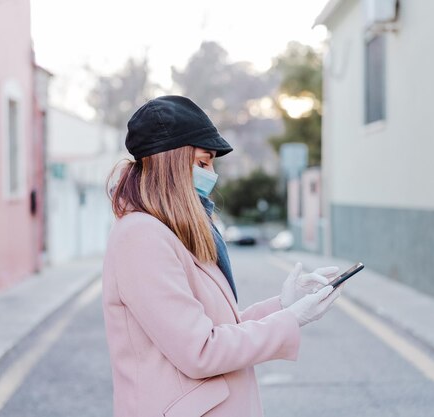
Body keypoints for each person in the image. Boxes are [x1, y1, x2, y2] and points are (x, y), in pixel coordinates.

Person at [102, 95, 342, 417]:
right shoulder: (141, 237)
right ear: (170, 162)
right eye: (202, 162)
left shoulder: (172, 231)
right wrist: (292, 319)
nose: (211, 174)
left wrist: (283, 304)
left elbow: (217, 328)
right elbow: (201, 349)